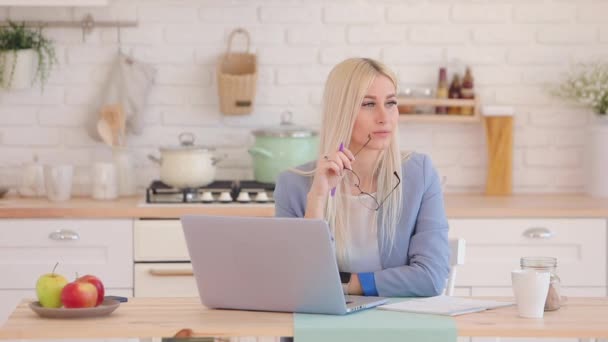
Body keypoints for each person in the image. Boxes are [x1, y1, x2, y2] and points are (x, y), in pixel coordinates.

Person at [273, 58, 449, 298]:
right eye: (368, 104)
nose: (383, 117)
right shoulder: (292, 185)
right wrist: (318, 197)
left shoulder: (420, 174)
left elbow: (431, 277)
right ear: (341, 111)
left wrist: (347, 284)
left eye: (390, 103)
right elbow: (297, 282)